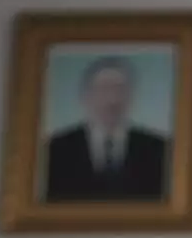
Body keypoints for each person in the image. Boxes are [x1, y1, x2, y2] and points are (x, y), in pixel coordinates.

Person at [44, 55, 168, 202]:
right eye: (104, 89)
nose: (112, 99)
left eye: (120, 89)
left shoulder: (160, 149)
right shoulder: (54, 149)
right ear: (85, 96)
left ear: (132, 96)